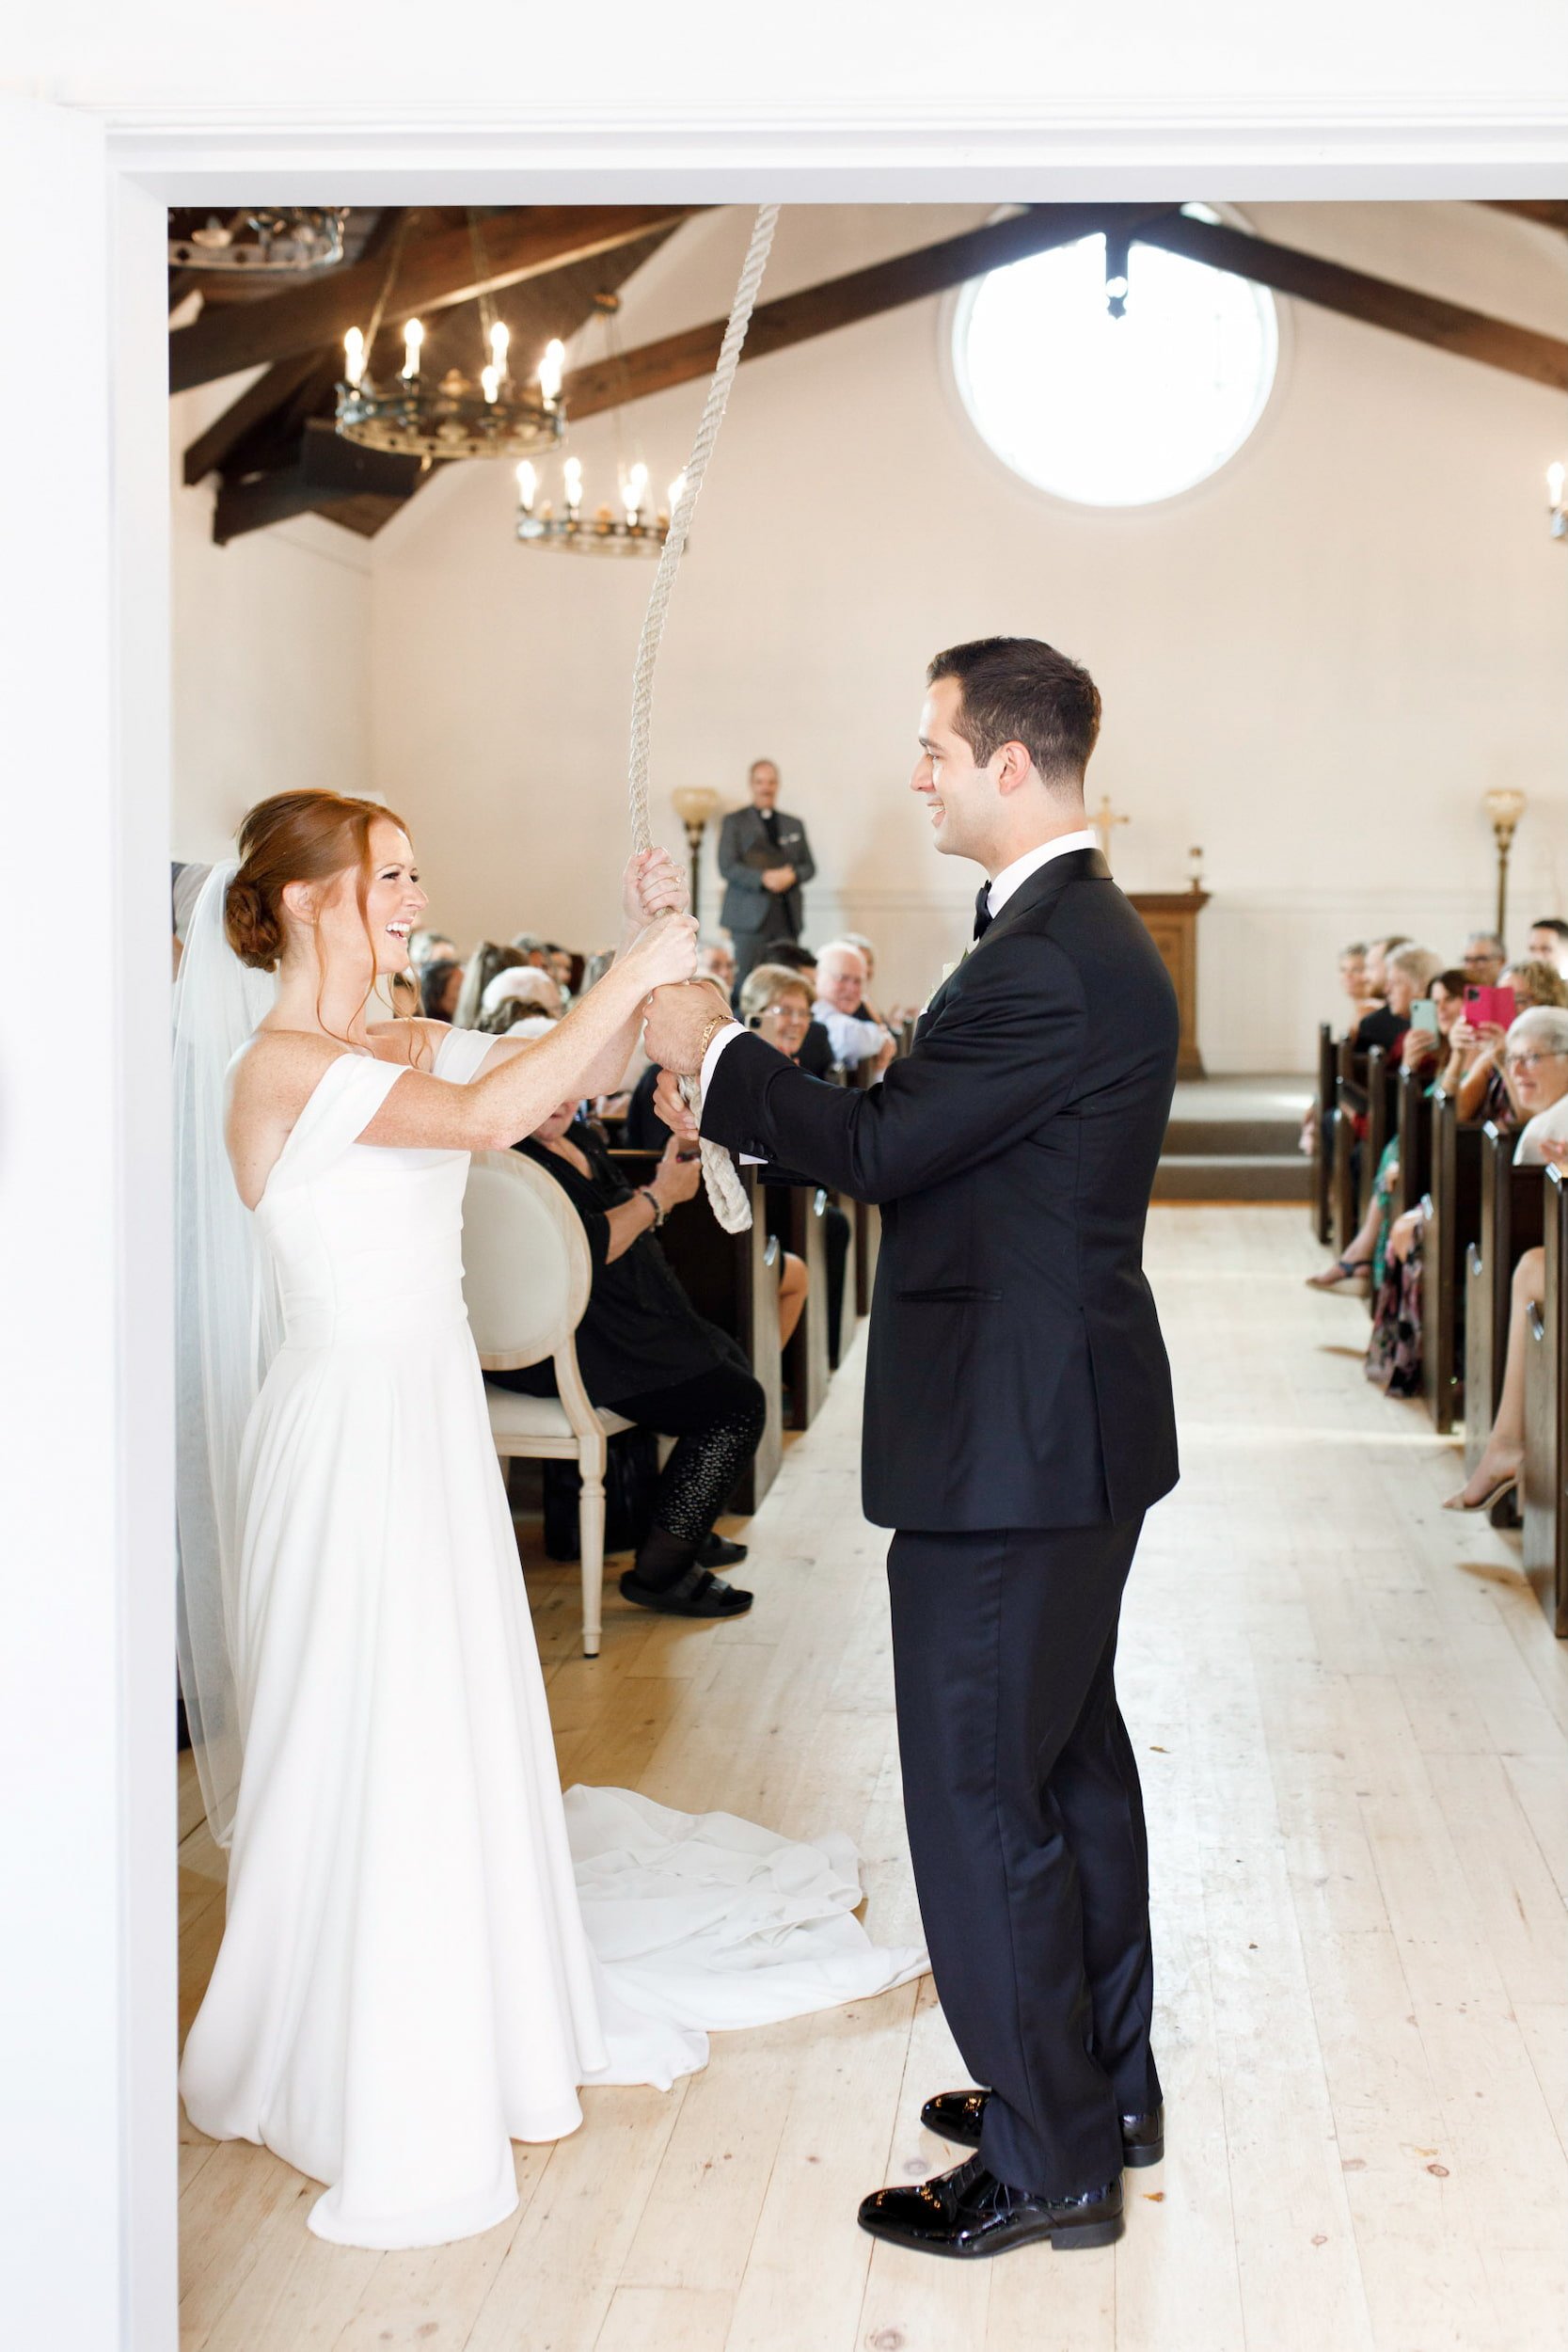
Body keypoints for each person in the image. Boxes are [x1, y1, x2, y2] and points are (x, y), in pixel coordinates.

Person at [173, 789, 922, 2253]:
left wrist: (640, 959)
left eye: (411, 868)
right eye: (388, 875)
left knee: (442, 1706)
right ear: (311, 898)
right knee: (363, 1711)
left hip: (428, 1420)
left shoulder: (386, 1041)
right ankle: (344, 2012)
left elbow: (538, 1074)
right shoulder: (279, 1071)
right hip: (350, 1430)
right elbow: (492, 1115)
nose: (410, 895)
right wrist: (630, 974)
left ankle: (463, 1960)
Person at [647, 634, 1179, 2261]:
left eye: (937, 745)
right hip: (1055, 1425)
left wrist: (719, 1057)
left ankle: (1049, 2162)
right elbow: (941, 1136)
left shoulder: (1044, 955)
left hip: (1012, 1448)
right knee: (1064, 1761)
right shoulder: (1069, 935)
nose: (918, 769)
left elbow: (883, 1151)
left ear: (1011, 765)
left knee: (975, 1794)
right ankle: (1098, 2087)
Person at [491, 1109, 767, 1615]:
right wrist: (660, 1195)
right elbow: (584, 1248)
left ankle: (680, 1522)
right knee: (738, 1405)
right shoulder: (503, 1154)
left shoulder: (576, 1134)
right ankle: (661, 1572)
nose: (559, 1099)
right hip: (568, 1339)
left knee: (726, 1352)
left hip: (612, 1319)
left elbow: (614, 1211)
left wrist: (664, 1179)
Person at [1444, 1007, 1568, 1511]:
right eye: (1512, 1059)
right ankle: (1506, 1442)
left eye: (1532, 1057)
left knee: (1533, 1268)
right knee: (1532, 1267)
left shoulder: (1548, 1125)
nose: (1519, 1070)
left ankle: (1507, 1443)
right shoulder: (1546, 1124)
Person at [737, 962, 853, 1363]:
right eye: (783, 1010)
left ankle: (817, 1355)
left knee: (832, 1218)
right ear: (752, 1012)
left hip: (775, 1195)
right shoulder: (746, 1067)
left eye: (804, 1012)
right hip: (751, 1204)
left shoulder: (789, 1068)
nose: (796, 1021)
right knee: (834, 1222)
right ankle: (798, 1364)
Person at [717, 758, 816, 989]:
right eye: (760, 782)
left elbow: (809, 867)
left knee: (786, 981)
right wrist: (764, 878)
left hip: (786, 917)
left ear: (777, 785)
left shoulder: (794, 824)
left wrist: (792, 876)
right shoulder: (734, 822)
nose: (766, 787)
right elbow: (727, 866)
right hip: (748, 920)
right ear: (752, 785)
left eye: (771, 782)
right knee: (744, 983)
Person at [814, 940, 896, 1075]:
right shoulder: (817, 1010)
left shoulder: (850, 1010)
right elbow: (852, 1039)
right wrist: (883, 1038)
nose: (851, 988)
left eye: (858, 981)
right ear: (817, 976)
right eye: (842, 978)